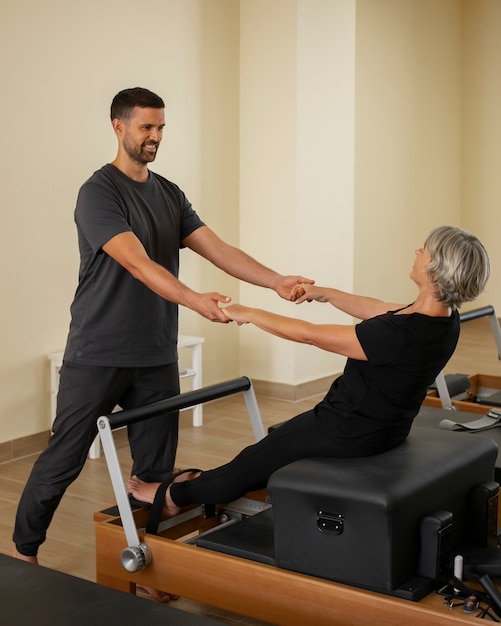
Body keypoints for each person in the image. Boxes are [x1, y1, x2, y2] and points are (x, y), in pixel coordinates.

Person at [12, 87, 313, 574]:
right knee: (61, 461)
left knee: (152, 476)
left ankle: (149, 566)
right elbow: (136, 262)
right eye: (146, 127)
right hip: (97, 353)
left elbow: (217, 247)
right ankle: (23, 553)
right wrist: (195, 300)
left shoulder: (169, 192)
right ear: (119, 126)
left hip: (154, 353)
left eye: (161, 128)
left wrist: (275, 280)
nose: (155, 137)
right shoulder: (98, 191)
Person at [127, 226, 490, 524]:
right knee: (275, 444)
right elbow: (379, 309)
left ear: (435, 270)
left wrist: (248, 312)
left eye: (423, 249)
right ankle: (207, 482)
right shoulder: (444, 320)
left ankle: (175, 496)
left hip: (346, 429)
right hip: (384, 429)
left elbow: (309, 335)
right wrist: (325, 294)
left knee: (251, 460)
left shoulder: (397, 336)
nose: (416, 250)